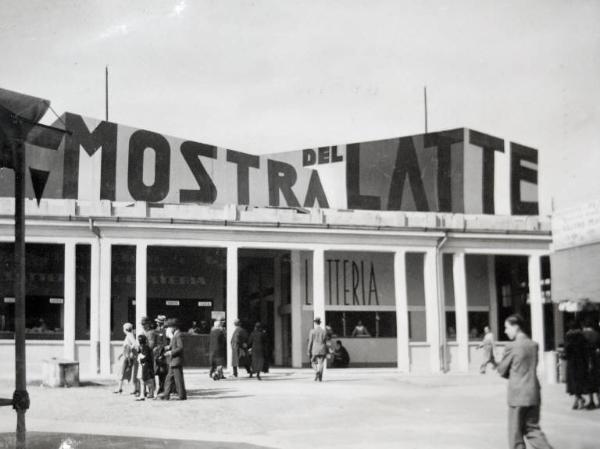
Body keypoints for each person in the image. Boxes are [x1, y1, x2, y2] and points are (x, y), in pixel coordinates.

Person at [497, 314, 553, 449]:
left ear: (516, 327)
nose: (505, 331)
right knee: (533, 430)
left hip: (517, 395)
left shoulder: (512, 346)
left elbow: (502, 370)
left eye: (507, 327)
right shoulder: (533, 345)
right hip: (533, 393)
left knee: (515, 435)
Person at [158, 318, 187, 400]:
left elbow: (180, 347)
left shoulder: (178, 335)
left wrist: (171, 352)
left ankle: (181, 396)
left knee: (178, 379)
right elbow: (172, 345)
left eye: (169, 327)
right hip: (173, 361)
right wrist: (167, 347)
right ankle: (166, 395)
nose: (167, 329)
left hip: (176, 360)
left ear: (174, 327)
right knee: (169, 379)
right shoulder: (175, 335)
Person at [563, 320, 590, 410]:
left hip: (572, 362)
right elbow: (586, 350)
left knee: (573, 382)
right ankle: (577, 400)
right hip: (581, 362)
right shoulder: (582, 337)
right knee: (579, 381)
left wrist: (565, 356)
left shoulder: (568, 336)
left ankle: (578, 400)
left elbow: (567, 350)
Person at [114, 322, 139, 395]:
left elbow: (134, 344)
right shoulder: (129, 335)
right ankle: (121, 387)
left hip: (128, 357)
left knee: (123, 371)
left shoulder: (129, 335)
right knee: (124, 372)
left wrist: (129, 351)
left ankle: (120, 388)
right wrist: (122, 354)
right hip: (126, 355)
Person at [581, 318, 600, 409]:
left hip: (587, 359)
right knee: (597, 380)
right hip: (596, 359)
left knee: (589, 382)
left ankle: (591, 401)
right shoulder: (597, 334)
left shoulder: (583, 335)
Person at [307, 317, 329, 381]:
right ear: (320, 323)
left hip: (315, 349)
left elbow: (310, 342)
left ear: (315, 323)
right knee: (321, 363)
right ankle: (320, 378)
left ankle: (316, 372)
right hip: (322, 348)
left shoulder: (312, 331)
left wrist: (308, 350)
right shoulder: (324, 331)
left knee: (312, 361)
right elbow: (325, 341)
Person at [153, 315, 169, 396]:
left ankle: (164, 388)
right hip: (156, 353)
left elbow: (165, 344)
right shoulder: (156, 330)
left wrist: (162, 354)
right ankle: (160, 387)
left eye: (158, 322)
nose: (157, 323)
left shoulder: (165, 331)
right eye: (157, 322)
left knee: (163, 371)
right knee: (158, 371)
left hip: (162, 353)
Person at [136, 334, 155, 401]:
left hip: (145, 366)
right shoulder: (143, 347)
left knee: (146, 380)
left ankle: (146, 394)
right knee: (143, 380)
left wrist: (141, 360)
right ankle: (144, 394)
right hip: (143, 365)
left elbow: (146, 357)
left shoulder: (145, 347)